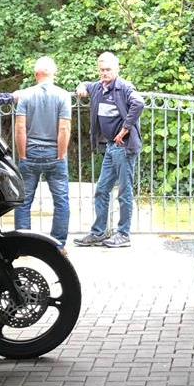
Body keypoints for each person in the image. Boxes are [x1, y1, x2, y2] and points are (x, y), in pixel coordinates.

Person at [74, 52, 145, 248]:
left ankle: (123, 234)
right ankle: (98, 233)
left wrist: (125, 129)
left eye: (108, 69)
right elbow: (85, 85)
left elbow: (139, 103)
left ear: (117, 69)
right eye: (101, 70)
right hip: (110, 147)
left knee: (124, 191)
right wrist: (81, 86)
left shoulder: (125, 88)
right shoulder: (98, 87)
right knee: (102, 190)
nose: (104, 73)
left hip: (124, 147)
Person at [13, 56, 73, 247]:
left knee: (24, 202)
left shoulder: (26, 95)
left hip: (30, 154)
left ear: (35, 74)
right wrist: (61, 155)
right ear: (54, 73)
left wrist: (22, 155)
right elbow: (64, 128)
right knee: (61, 201)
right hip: (54, 155)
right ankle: (57, 244)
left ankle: (24, 243)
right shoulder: (63, 95)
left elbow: (20, 128)